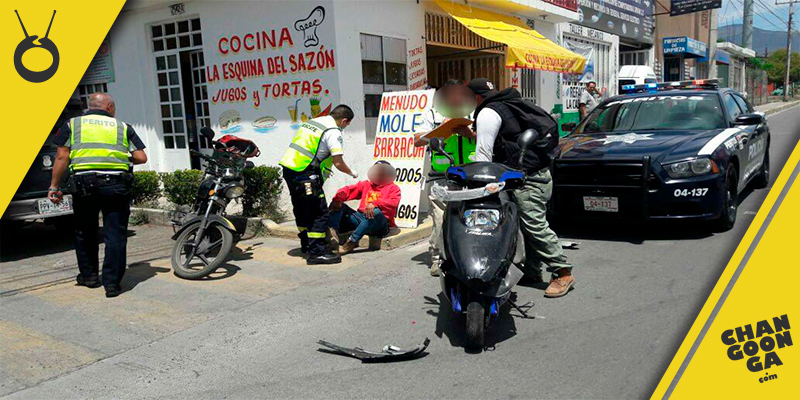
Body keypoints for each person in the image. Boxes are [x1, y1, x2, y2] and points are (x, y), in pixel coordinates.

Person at [468, 78, 575, 298]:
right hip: (536, 173)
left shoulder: (487, 112)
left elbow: (484, 154)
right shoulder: (506, 104)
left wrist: (479, 184)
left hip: (526, 179)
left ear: (475, 97)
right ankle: (533, 271)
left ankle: (562, 272)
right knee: (525, 225)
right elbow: (508, 139)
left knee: (534, 225)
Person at [48, 93, 148, 298]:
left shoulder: (72, 125)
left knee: (85, 231)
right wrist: (119, 157)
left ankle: (89, 276)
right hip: (116, 186)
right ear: (109, 107)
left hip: (84, 186)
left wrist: (54, 186)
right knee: (116, 235)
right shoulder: (122, 127)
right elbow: (141, 157)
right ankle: (112, 285)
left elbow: (61, 156)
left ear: (89, 106)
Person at [279, 105, 357, 265]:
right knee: (318, 212)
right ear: (344, 120)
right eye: (347, 124)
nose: (346, 127)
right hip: (305, 173)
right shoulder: (333, 132)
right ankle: (317, 253)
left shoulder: (314, 122)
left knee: (301, 208)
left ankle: (306, 245)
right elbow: (338, 162)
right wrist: (351, 173)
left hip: (289, 168)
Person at [414, 79, 477, 276]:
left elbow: (488, 138)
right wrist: (439, 130)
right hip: (441, 176)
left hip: (471, 175)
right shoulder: (431, 114)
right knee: (440, 220)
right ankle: (438, 258)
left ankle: (470, 255)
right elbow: (417, 140)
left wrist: (470, 133)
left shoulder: (475, 114)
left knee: (472, 219)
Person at [328, 161, 401, 255]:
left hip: (380, 224)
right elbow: (348, 190)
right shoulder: (366, 185)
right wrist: (337, 199)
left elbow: (393, 203)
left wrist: (375, 203)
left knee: (375, 212)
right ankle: (332, 237)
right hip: (362, 219)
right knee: (339, 206)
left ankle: (351, 243)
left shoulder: (393, 188)